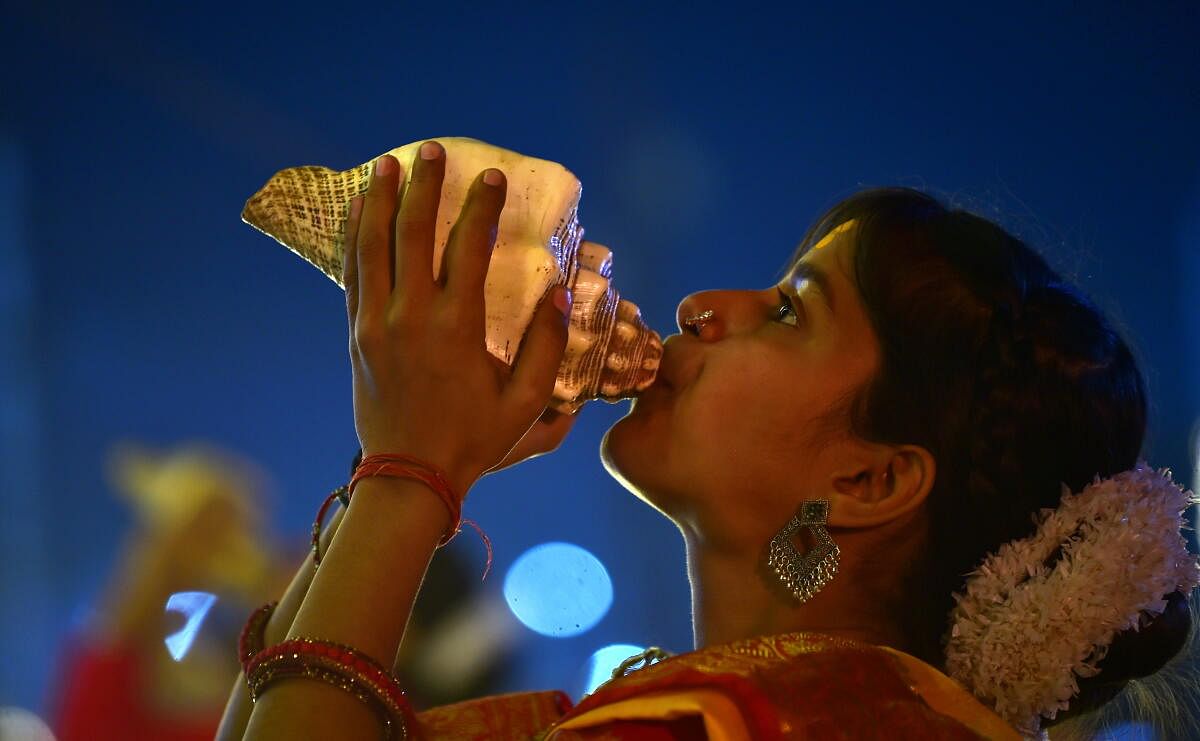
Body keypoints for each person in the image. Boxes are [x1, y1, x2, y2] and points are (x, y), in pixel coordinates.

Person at [218, 140, 1198, 740]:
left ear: (871, 477)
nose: (701, 307)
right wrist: (398, 467)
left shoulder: (791, 723)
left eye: (786, 313)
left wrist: (413, 470)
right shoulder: (781, 707)